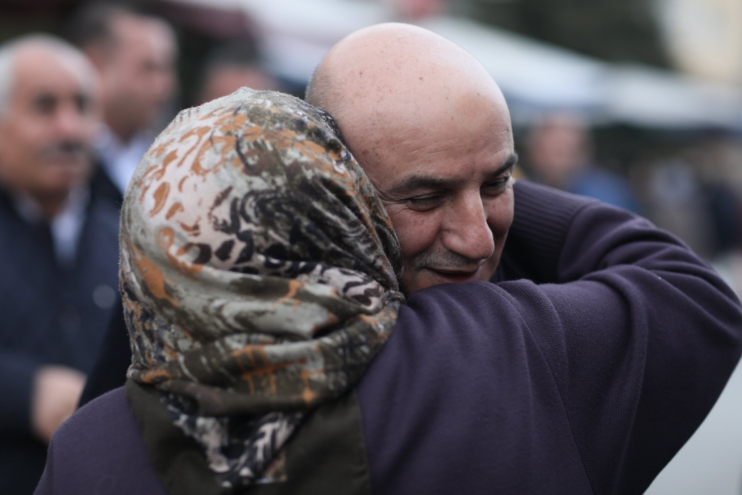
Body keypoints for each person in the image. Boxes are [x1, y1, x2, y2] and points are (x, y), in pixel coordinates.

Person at [36, 88, 742, 495]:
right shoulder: (492, 353)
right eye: (426, 193)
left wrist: (158, 288)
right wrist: (503, 188)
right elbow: (692, 297)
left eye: (493, 184)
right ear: (348, 209)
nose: (474, 235)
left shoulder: (91, 452)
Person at [0, 35, 120, 494]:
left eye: (83, 106)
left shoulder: (127, 234)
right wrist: (26, 391)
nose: (68, 129)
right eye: (44, 107)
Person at [67, 2, 178, 207]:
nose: (164, 86)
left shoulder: (170, 161)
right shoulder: (66, 157)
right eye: (148, 68)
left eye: (166, 69)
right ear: (95, 65)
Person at [523, 112, 642, 213]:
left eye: (562, 152)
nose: (555, 163)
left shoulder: (606, 197)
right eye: (546, 152)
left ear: (584, 154)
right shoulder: (534, 188)